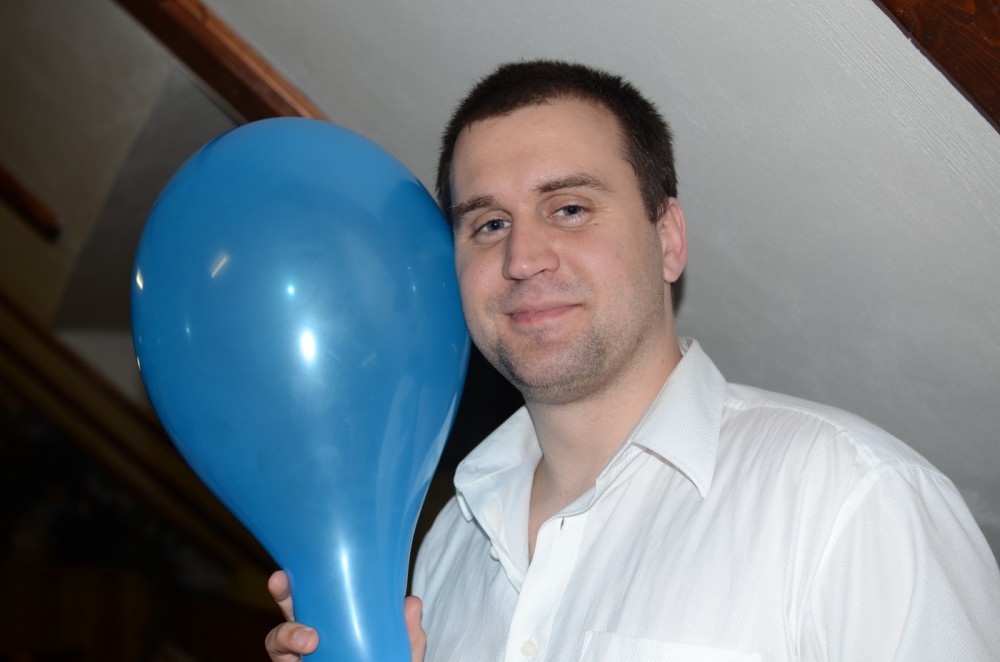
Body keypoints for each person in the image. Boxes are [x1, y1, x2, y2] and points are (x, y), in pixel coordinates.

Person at [266, 60, 1000, 661]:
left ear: (668, 239)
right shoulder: (447, 549)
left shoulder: (851, 501)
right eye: (488, 224)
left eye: (569, 209)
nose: (522, 258)